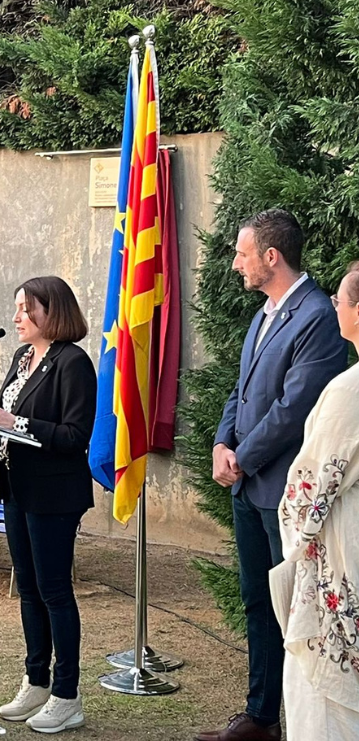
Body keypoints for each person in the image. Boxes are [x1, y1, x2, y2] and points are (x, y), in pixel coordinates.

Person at [198, 210, 347, 741]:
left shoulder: (317, 316)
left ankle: (299, 719)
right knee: (258, 601)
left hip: (284, 488)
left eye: (242, 254)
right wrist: (221, 442)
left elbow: (294, 408)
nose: (235, 264)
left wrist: (243, 455)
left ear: (270, 257)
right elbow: (241, 391)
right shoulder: (264, 314)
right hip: (248, 484)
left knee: (292, 607)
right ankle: (261, 717)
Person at [0, 276, 95, 734]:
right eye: (16, 309)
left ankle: (67, 695)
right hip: (16, 487)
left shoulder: (73, 363)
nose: (16, 318)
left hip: (54, 493)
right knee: (27, 589)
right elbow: (9, 419)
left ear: (51, 312)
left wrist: (17, 420)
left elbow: (74, 437)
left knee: (54, 591)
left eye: (24, 309)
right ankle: (36, 680)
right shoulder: (23, 356)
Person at [275, 260, 359, 740]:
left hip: (340, 553)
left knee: (324, 699)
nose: (333, 306)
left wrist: (294, 540)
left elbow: (310, 488)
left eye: (340, 300)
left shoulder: (348, 390)